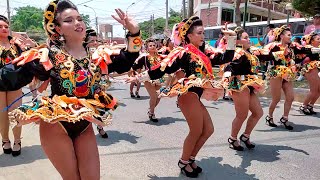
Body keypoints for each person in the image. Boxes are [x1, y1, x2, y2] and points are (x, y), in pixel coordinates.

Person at [0, 0, 141, 178]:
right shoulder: (48, 56)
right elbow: (9, 76)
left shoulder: (97, 56)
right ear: (58, 29)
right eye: (69, 20)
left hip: (85, 124)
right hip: (55, 124)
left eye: (79, 18)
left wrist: (134, 31)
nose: (77, 23)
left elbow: (127, 59)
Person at [127, 16, 237, 178]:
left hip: (196, 95)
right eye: (199, 33)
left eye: (203, 33)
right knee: (196, 130)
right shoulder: (182, 53)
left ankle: (190, 159)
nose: (202, 36)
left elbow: (225, 58)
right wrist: (138, 77)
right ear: (189, 36)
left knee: (208, 130)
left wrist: (231, 38)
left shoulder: (204, 52)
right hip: (187, 94)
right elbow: (161, 69)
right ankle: (184, 161)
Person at [264, 25, 320, 130]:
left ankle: (285, 118)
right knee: (276, 99)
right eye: (289, 35)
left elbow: (304, 49)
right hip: (276, 73)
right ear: (281, 36)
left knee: (290, 97)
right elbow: (265, 55)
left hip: (288, 73)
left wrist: (315, 50)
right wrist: (280, 53)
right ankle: (269, 116)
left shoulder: (292, 46)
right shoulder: (273, 46)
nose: (291, 37)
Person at [223, 27, 268, 151]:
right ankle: (233, 138)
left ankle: (245, 136)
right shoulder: (237, 52)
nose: (249, 39)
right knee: (242, 115)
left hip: (250, 85)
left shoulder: (250, 52)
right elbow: (229, 67)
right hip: (239, 85)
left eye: (248, 37)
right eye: (245, 37)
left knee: (258, 112)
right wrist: (227, 76)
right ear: (237, 41)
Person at [0, 15, 34, 157]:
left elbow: (30, 56)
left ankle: (17, 141)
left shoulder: (16, 44)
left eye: (6, 26)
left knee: (15, 113)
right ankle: (5, 140)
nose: (4, 29)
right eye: (0, 27)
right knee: (2, 114)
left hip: (15, 83)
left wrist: (28, 45)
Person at [131, 38, 166, 122]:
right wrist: (136, 74)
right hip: (148, 79)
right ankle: (152, 113)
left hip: (159, 79)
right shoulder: (144, 57)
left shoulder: (160, 56)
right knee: (153, 96)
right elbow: (135, 66)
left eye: (154, 45)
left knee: (159, 96)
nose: (153, 47)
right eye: (150, 46)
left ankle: (150, 110)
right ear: (147, 47)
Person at [85, 28, 108, 138]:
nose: (95, 43)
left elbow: (104, 68)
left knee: (101, 107)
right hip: (83, 87)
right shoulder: (80, 54)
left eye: (96, 41)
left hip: (97, 85)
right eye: (92, 41)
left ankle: (100, 127)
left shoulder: (101, 53)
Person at [300, 32, 320, 115]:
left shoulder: (317, 47)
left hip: (316, 69)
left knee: (319, 90)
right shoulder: (309, 48)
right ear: (312, 41)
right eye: (318, 39)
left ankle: (310, 105)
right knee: (313, 90)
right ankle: (303, 106)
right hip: (310, 69)